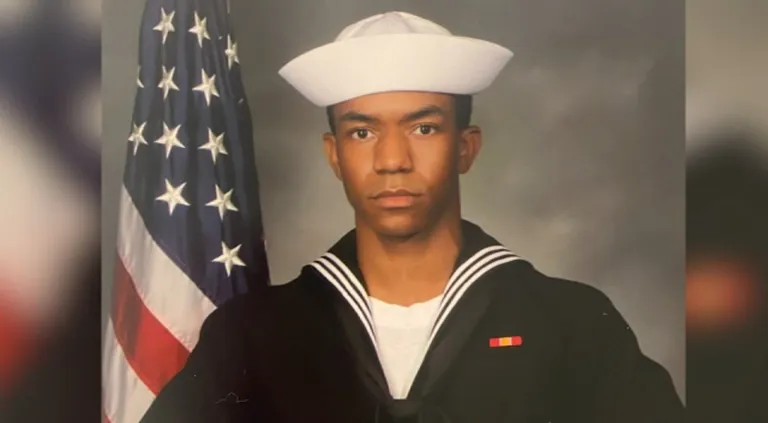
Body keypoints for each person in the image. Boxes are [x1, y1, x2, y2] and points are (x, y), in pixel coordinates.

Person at [140, 11, 683, 423]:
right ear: (334, 155)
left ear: (466, 147)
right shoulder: (253, 334)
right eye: (362, 132)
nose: (392, 160)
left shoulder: (571, 323)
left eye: (423, 128)